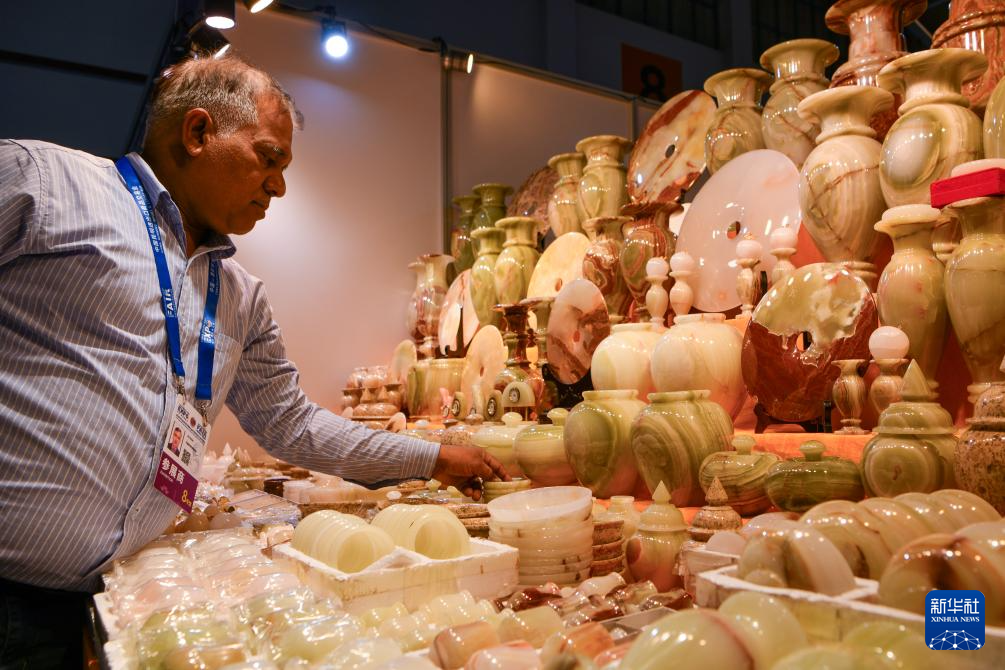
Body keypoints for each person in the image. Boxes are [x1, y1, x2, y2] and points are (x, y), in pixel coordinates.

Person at [0, 54, 507, 667]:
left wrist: (431, 457)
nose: (278, 187)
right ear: (198, 132)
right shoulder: (47, 184)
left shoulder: (240, 297)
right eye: (268, 159)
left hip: (112, 598)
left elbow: (293, 425)